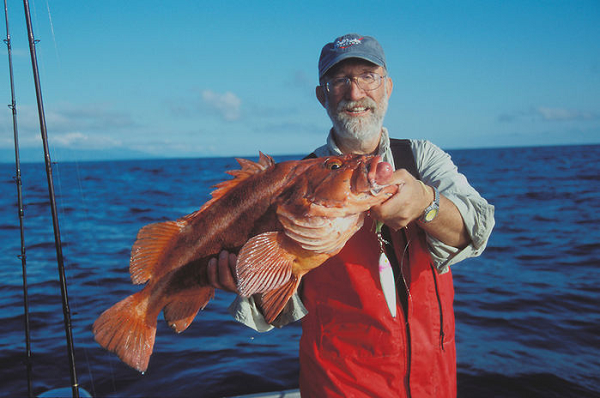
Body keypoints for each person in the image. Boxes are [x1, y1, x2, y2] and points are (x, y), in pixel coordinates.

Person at [207, 33, 495, 397]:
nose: (355, 93)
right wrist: (247, 279)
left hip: (436, 387)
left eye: (367, 77)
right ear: (321, 95)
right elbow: (277, 311)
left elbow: (477, 230)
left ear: (387, 87)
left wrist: (426, 202)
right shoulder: (296, 184)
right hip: (339, 388)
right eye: (339, 80)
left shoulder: (423, 158)